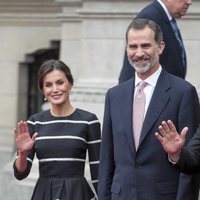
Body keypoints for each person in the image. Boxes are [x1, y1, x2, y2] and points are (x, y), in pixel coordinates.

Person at [98, 18, 200, 200]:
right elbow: (107, 158)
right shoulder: (114, 95)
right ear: (126, 48)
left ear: (160, 47)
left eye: (145, 46)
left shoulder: (183, 92)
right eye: (132, 46)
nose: (138, 53)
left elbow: (192, 161)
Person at [13, 59, 101, 200]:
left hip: (77, 193)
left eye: (60, 82)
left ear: (70, 83)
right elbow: (20, 174)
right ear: (42, 90)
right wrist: (22, 154)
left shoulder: (89, 120)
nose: (55, 89)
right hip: (44, 193)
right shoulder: (34, 122)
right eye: (48, 85)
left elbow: (98, 169)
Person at [119, 0, 192, 83]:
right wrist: (129, 93)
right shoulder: (149, 17)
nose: (189, 2)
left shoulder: (165, 17)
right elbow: (135, 65)